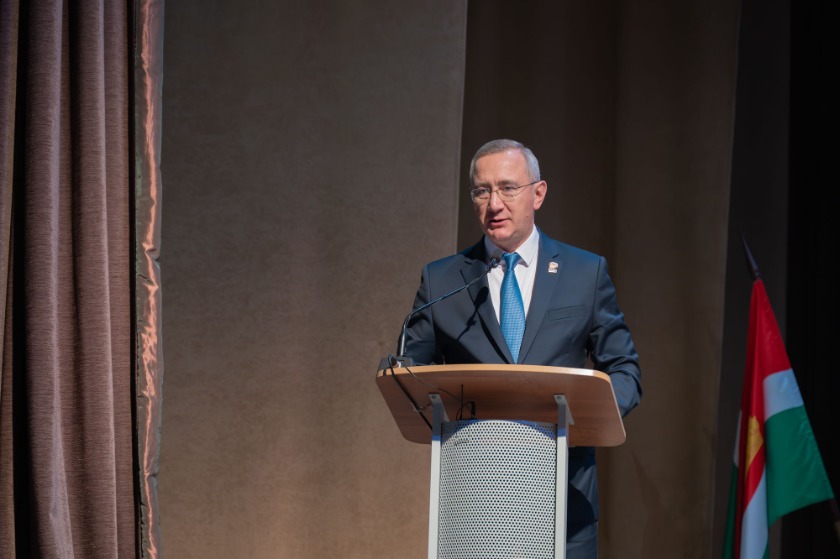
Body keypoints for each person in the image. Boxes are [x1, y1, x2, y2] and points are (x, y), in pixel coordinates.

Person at [401, 138, 642, 558]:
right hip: (474, 498)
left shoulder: (584, 273)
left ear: (538, 193)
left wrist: (586, 416)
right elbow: (411, 373)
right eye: (482, 191)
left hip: (563, 495)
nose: (494, 203)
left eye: (508, 188)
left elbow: (624, 369)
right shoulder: (442, 280)